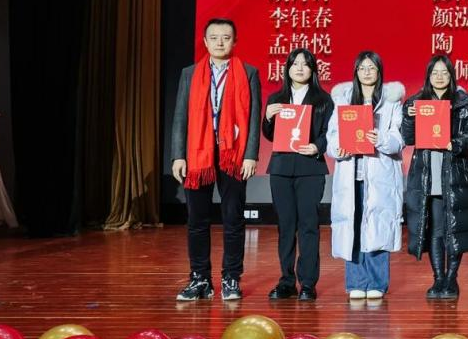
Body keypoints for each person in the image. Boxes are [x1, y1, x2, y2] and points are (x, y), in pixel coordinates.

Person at [170, 18, 261, 302]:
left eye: (226, 37)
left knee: (233, 218)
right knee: (197, 220)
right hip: (198, 155)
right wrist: (178, 155)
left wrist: (250, 155)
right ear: (205, 42)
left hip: (233, 155)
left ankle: (231, 277)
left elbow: (253, 117)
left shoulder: (248, 72)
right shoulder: (190, 74)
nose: (220, 42)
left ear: (235, 41)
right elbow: (180, 117)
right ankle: (200, 279)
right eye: (214, 37)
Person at [401, 55, 468, 300]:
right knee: (436, 229)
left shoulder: (464, 101)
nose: (439, 77)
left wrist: (454, 143)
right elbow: (408, 138)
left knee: (454, 228)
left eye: (444, 72)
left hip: (455, 171)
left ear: (451, 75)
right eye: (435, 72)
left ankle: (451, 278)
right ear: (428, 75)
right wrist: (410, 117)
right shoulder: (416, 102)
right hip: (429, 174)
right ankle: (438, 278)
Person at [326, 51, 405, 301]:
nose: (367, 72)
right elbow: (332, 135)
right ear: (356, 72)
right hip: (351, 175)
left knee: (378, 225)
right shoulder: (344, 101)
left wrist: (380, 139)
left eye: (371, 67)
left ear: (379, 71)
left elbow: (399, 139)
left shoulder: (391, 102)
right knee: (353, 225)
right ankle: (356, 282)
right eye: (362, 68)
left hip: (379, 175)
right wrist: (337, 148)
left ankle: (378, 283)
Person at [261, 48, 333, 302]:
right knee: (286, 226)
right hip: (281, 169)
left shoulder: (323, 100)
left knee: (308, 226)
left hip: (310, 169)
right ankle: (286, 281)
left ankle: (308, 283)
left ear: (313, 70)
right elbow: (269, 134)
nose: (300, 68)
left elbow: (329, 133)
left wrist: (317, 146)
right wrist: (267, 118)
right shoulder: (276, 98)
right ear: (288, 68)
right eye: (295, 63)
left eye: (305, 64)